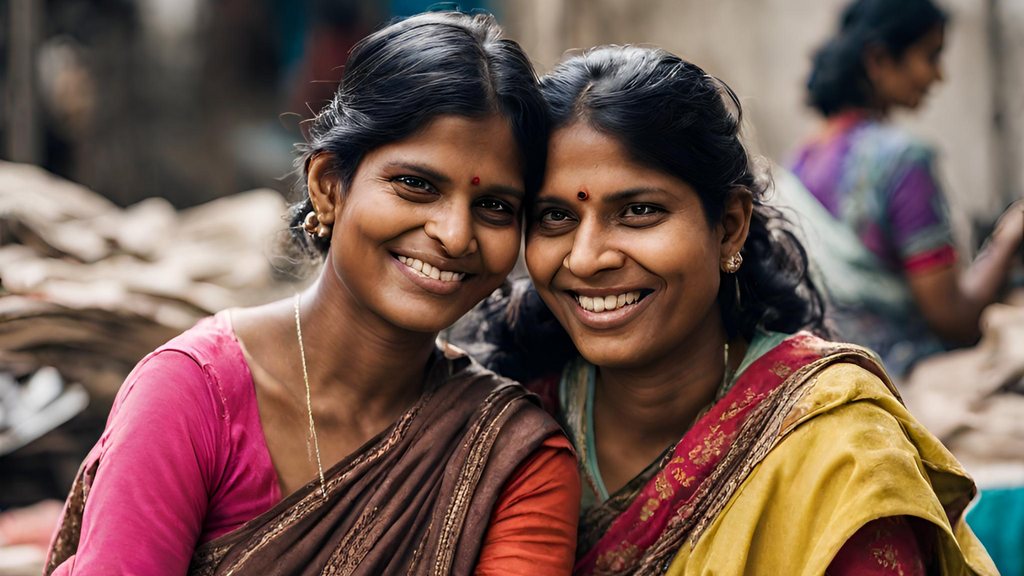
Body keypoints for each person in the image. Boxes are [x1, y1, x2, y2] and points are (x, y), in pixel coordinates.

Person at [44, 11, 580, 576]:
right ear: (328, 187)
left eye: (495, 207)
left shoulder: (510, 458)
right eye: (416, 185)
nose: (454, 234)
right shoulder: (190, 396)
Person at [451, 45, 997, 575]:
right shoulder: (508, 420)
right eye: (554, 217)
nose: (588, 258)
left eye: (640, 211)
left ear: (730, 225)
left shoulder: (838, 449)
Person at [789, 0, 1024, 376]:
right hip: (902, 376)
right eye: (930, 56)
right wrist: (1007, 239)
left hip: (830, 375)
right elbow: (953, 319)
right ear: (879, 60)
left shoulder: (799, 163)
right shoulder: (902, 160)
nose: (938, 76)